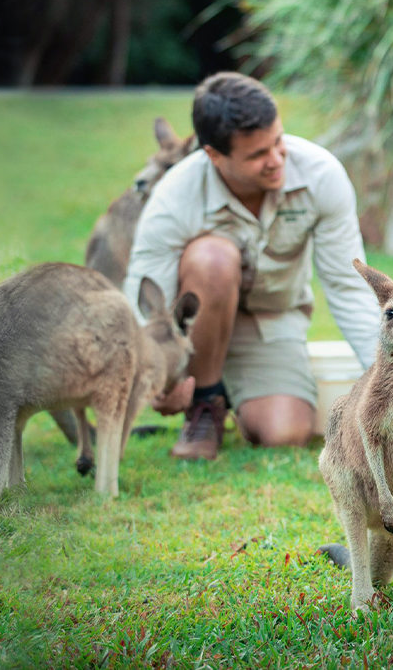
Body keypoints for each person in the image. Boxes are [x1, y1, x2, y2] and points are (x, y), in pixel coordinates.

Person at [124, 72, 378, 460]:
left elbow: (347, 285)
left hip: (269, 321)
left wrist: (392, 373)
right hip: (194, 328)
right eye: (258, 155)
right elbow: (145, 293)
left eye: (278, 142)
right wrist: (158, 374)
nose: (277, 160)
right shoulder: (175, 195)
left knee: (285, 432)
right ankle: (205, 404)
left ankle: (233, 390)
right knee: (213, 257)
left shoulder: (321, 176)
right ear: (214, 155)